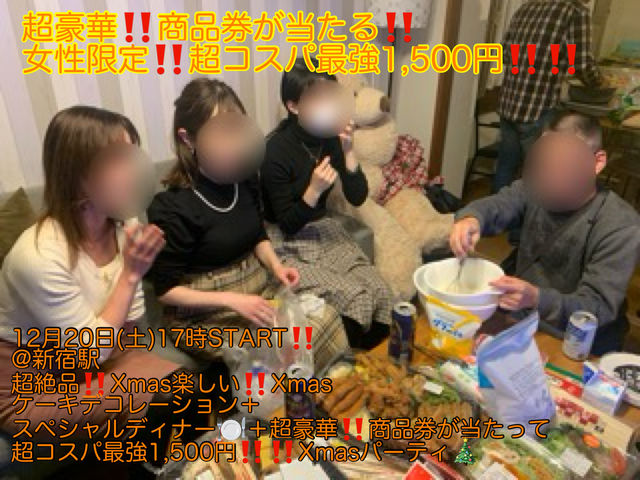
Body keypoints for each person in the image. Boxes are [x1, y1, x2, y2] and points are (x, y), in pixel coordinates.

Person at [0, 106, 204, 469]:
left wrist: (131, 277)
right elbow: (91, 352)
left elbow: (131, 330)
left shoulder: (123, 225)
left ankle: (184, 470)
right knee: (162, 396)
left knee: (188, 390)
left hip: (97, 359)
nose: (135, 170)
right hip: (32, 385)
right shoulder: (38, 255)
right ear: (76, 174)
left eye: (132, 154)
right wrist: (131, 274)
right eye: (118, 159)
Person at [146, 78, 349, 373]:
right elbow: (165, 290)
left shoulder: (246, 180)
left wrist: (276, 266)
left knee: (324, 318)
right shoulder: (172, 207)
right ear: (188, 138)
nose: (234, 142)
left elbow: (257, 234)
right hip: (201, 317)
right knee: (278, 349)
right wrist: (234, 301)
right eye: (221, 132)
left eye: (237, 129)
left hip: (257, 292)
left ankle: (321, 396)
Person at [451, 111, 640, 355]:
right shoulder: (536, 187)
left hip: (576, 339)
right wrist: (472, 218)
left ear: (597, 162)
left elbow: (597, 307)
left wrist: (536, 298)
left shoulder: (621, 225)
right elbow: (502, 203)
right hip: (520, 319)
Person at [261, 57, 394, 349]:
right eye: (316, 97)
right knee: (355, 294)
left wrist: (349, 151)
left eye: (330, 95)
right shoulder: (275, 150)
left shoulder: (331, 138)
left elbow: (357, 196)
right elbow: (287, 223)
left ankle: (376, 361)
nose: (327, 104)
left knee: (380, 290)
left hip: (322, 231)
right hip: (285, 242)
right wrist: (313, 191)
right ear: (294, 106)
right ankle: (346, 362)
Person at [494, 0, 603, 193]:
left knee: (505, 167)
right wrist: (600, 83)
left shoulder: (527, 7)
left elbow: (504, 54)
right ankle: (531, 214)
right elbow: (582, 64)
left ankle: (493, 212)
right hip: (537, 109)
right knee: (540, 174)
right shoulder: (575, 11)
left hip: (509, 104)